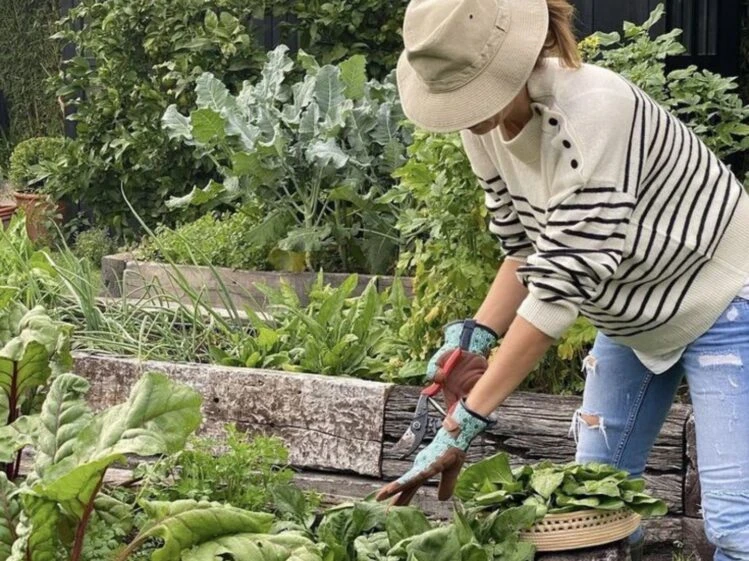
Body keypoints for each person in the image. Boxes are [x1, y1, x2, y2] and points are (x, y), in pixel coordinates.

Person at [375, 0, 749, 559]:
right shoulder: (482, 128)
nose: (462, 113)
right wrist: (473, 338)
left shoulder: (594, 110)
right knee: (593, 499)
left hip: (723, 297)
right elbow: (525, 249)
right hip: (628, 312)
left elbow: (558, 289)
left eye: (469, 92)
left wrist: (465, 425)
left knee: (736, 525)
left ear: (511, 65)